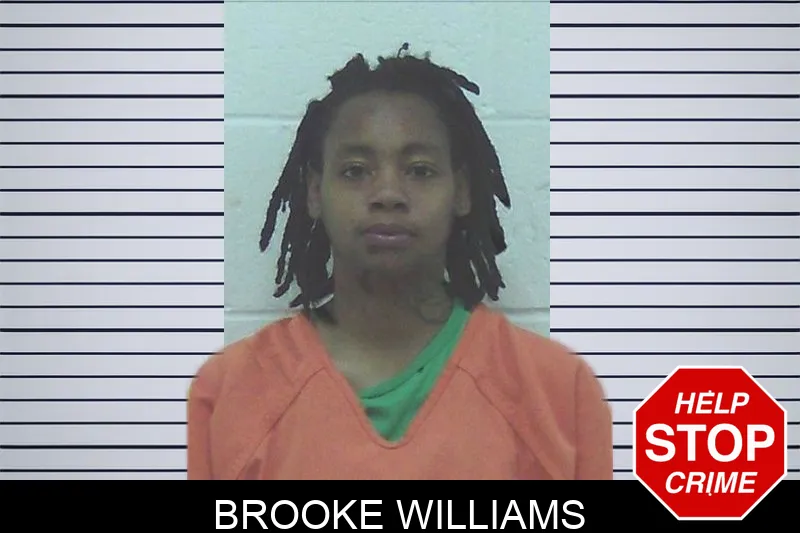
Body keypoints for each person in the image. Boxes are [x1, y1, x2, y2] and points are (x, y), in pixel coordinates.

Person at [187, 44, 613, 480]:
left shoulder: (560, 393)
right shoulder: (226, 394)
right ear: (315, 192)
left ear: (461, 191)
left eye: (420, 170)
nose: (387, 194)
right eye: (356, 170)